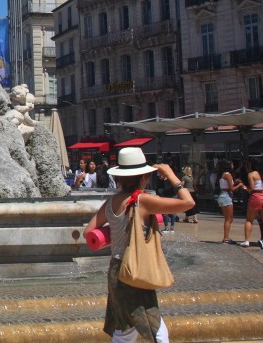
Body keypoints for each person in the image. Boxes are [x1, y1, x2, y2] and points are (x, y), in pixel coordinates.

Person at [85, 147, 194, 343]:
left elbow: (88, 232)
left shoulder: (110, 202)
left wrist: (117, 234)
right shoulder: (142, 201)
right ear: (144, 177)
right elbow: (188, 202)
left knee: (125, 328)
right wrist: (171, 175)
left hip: (116, 270)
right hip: (134, 270)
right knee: (153, 327)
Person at [241, 158, 263, 248]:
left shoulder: (251, 174)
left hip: (256, 196)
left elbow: (252, 188)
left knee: (249, 219)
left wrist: (245, 188)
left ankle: (247, 241)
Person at [216, 162, 238, 244]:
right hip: (226, 196)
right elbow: (231, 188)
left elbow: (227, 185)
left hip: (223, 195)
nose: (233, 165)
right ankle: (226, 238)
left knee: (227, 219)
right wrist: (239, 185)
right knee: (229, 219)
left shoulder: (223, 174)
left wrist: (235, 182)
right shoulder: (228, 174)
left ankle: (226, 237)